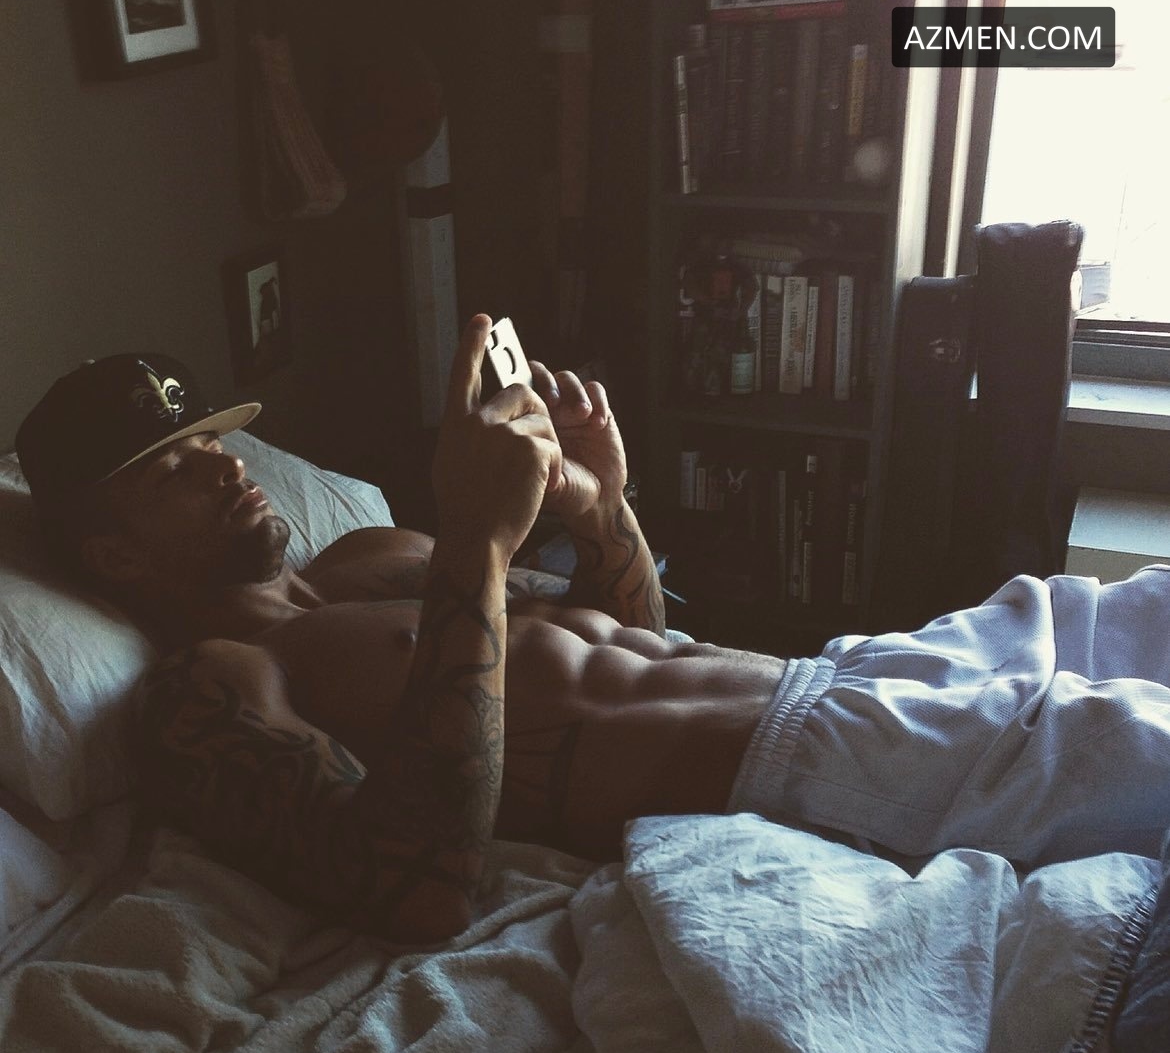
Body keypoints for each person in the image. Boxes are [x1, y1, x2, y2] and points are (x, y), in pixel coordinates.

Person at [14, 316, 1170, 946]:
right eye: (172, 469)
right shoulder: (208, 689)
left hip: (834, 679)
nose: (224, 466)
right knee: (1132, 745)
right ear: (115, 556)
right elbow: (417, 889)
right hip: (804, 769)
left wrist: (598, 505)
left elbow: (632, 638)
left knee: (1134, 619)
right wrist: (477, 541)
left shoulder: (365, 553)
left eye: (214, 440)